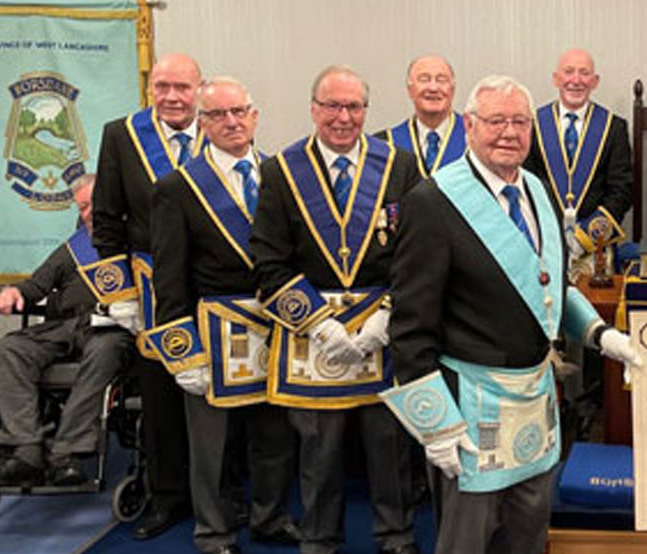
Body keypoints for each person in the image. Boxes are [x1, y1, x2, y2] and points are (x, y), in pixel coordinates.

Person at [385, 74, 642, 553]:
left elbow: (549, 287)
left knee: (527, 537)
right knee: (468, 542)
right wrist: (436, 427)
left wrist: (603, 336)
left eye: (520, 121)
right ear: (469, 125)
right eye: (496, 120)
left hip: (536, 404)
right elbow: (410, 328)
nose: (509, 132)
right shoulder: (432, 202)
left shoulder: (537, 191)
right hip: (470, 411)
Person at [249, 65, 422, 554]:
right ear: (313, 109)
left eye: (354, 107)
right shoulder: (282, 170)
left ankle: (396, 535)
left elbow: (416, 252)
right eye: (333, 106)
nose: (343, 118)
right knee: (319, 452)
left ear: (366, 111)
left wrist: (389, 317)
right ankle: (321, 540)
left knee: (388, 446)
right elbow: (268, 259)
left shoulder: (399, 166)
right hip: (312, 336)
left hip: (381, 331)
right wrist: (319, 324)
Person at [144, 77, 298, 554]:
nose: (231, 122)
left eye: (240, 112)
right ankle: (214, 533)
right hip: (214, 331)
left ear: (254, 116)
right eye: (218, 115)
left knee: (275, 437)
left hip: (276, 326)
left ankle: (270, 518)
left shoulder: (281, 174)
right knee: (211, 447)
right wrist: (181, 349)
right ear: (202, 123)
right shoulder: (177, 187)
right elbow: (168, 276)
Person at [91, 52, 203, 540]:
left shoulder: (222, 127)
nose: (172, 96)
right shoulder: (122, 135)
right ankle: (168, 497)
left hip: (210, 287)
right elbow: (106, 219)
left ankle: (223, 495)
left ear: (199, 89)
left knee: (218, 395)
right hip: (151, 290)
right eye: (163, 87)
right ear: (150, 89)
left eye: (182, 86)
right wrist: (119, 294)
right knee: (160, 398)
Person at [0, 176, 132, 487]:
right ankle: (26, 448)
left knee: (105, 350)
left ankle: (65, 453)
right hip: (65, 326)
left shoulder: (137, 241)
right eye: (83, 207)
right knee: (9, 349)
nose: (88, 212)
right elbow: (35, 286)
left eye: (94, 204)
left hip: (112, 329)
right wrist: (14, 294)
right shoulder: (74, 248)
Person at [523, 48, 633, 271]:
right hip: (544, 243)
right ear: (556, 79)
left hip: (595, 250)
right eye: (568, 72)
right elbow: (525, 184)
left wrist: (586, 237)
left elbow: (622, 190)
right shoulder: (532, 124)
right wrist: (547, 233)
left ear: (595, 81)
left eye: (584, 73)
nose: (576, 80)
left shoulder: (613, 127)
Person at [377, 54, 466, 177]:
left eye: (441, 80)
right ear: (410, 89)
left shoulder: (475, 140)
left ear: (452, 89)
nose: (433, 88)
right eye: (424, 80)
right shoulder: (385, 144)